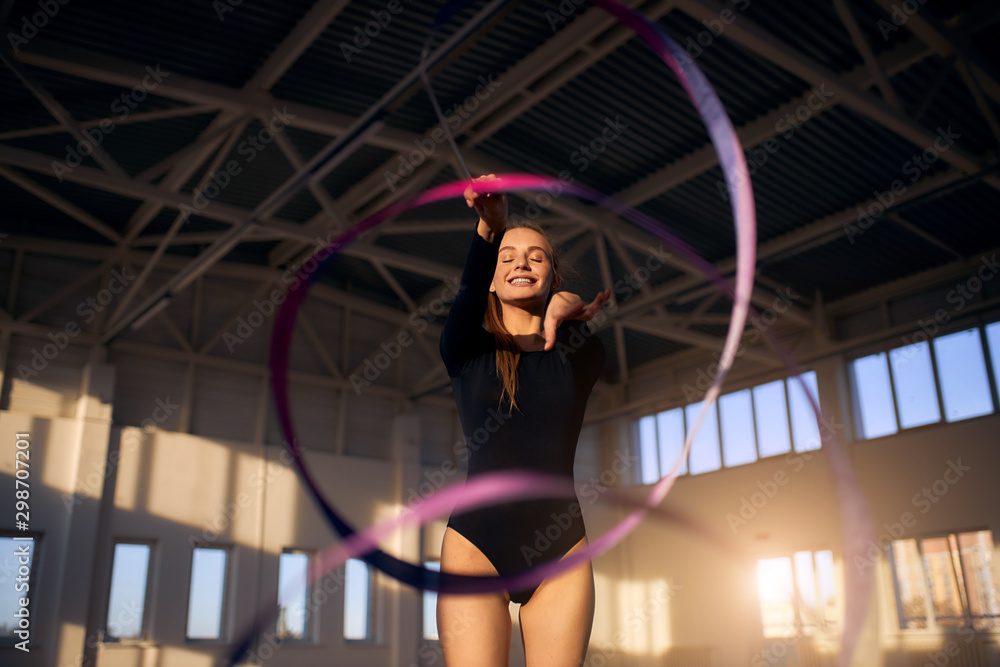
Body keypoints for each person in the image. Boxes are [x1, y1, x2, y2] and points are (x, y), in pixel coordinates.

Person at [437, 174, 610, 666]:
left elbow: (583, 330)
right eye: (507, 257)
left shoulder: (580, 353)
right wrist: (488, 228)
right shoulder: (465, 350)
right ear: (492, 278)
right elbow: (466, 296)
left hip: (560, 550)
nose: (521, 264)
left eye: (536, 257)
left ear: (553, 277)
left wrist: (563, 311)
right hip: (477, 548)